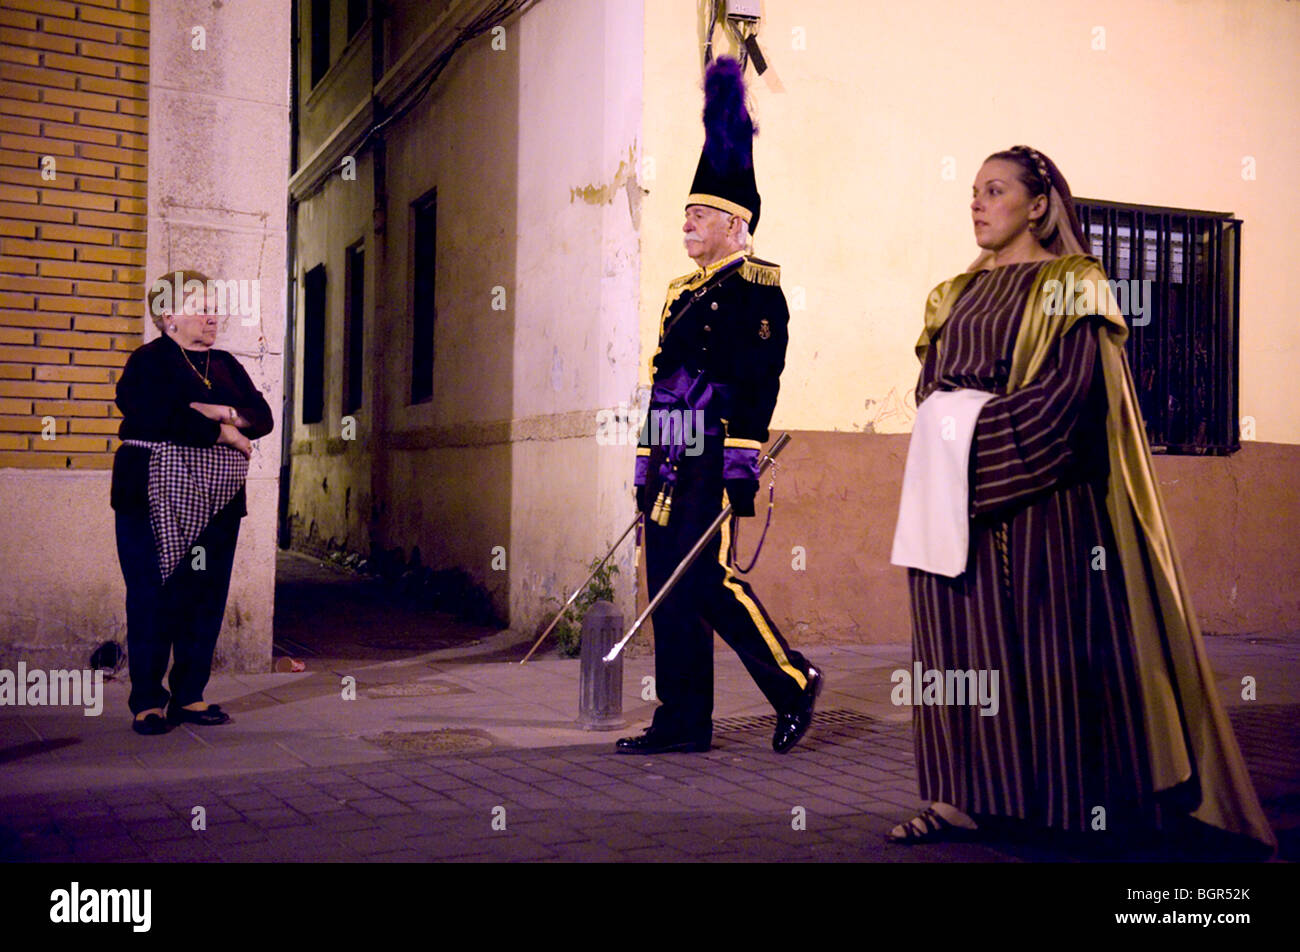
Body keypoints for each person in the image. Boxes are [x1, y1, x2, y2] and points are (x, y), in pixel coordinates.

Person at [887, 146, 1275, 854]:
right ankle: (961, 799)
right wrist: (947, 440)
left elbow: (1068, 399)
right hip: (946, 502)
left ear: (1038, 205)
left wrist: (968, 444)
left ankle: (1067, 811)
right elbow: (930, 389)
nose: (976, 203)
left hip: (1042, 508)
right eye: (972, 191)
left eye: (994, 190)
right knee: (954, 656)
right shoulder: (953, 293)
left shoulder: (1074, 281)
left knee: (1043, 654)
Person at [617, 57, 821, 756]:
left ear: (737, 224)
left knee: (707, 576)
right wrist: (647, 463)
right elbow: (663, 381)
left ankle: (792, 680)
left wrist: (742, 466)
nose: (688, 223)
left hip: (714, 452)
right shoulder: (681, 293)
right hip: (673, 451)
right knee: (666, 582)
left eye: (700, 214)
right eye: (685, 214)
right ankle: (681, 720)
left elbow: (758, 382)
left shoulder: (758, 292)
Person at [113, 270, 274, 735]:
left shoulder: (225, 363)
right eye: (200, 308)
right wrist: (222, 432)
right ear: (169, 316)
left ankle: (190, 694)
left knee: (204, 594)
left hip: (218, 500)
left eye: (214, 307)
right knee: (151, 593)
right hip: (148, 493)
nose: (212, 316)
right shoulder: (148, 361)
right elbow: (149, 415)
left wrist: (218, 411)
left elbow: (260, 418)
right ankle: (147, 700)